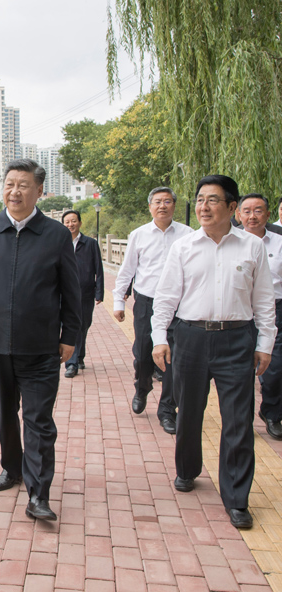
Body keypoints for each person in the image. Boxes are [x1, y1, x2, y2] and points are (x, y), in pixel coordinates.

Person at [0, 158, 81, 522]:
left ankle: (39, 494)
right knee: (6, 413)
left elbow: (72, 292)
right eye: (10, 183)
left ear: (39, 191)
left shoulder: (55, 236)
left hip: (41, 347)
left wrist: (70, 335)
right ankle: (12, 468)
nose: (15, 191)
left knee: (39, 420)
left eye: (23, 185)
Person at [151, 175, 276, 530]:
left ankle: (236, 496)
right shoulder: (185, 247)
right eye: (200, 199)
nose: (204, 207)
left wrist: (264, 343)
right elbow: (166, 297)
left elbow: (264, 300)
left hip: (237, 340)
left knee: (238, 419)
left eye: (213, 200)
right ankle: (188, 470)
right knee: (189, 411)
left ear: (232, 208)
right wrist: (160, 337)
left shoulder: (252, 248)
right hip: (190, 337)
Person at [112, 187, 193, 434]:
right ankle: (142, 386)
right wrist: (118, 301)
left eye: (167, 201)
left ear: (174, 206)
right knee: (144, 353)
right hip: (147, 302)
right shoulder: (139, 235)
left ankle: (167, 409)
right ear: (150, 207)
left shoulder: (188, 234)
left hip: (180, 305)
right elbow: (127, 270)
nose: (162, 206)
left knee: (174, 358)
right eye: (157, 202)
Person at [238, 193, 282, 439]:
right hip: (241, 312)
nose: (252, 216)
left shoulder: (279, 242)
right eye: (247, 211)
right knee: (240, 371)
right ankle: (241, 419)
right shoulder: (230, 241)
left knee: (275, 368)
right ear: (238, 214)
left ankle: (272, 413)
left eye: (258, 211)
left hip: (276, 310)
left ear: (268, 214)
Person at [62, 210, 104, 378]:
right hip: (64, 293)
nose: (70, 224)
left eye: (73, 221)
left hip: (85, 293)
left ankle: (79, 356)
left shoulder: (90, 244)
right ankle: (71, 363)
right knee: (70, 326)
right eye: (67, 222)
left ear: (79, 223)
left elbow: (99, 269)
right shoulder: (59, 243)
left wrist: (99, 292)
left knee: (83, 326)